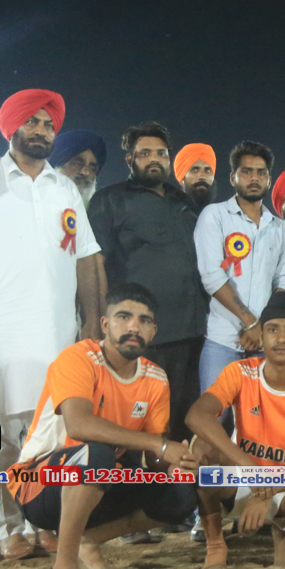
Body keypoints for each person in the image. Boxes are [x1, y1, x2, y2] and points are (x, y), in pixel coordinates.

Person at [0, 89, 103, 561]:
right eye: (33, 122)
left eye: (48, 124)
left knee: (51, 438)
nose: (42, 131)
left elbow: (86, 259)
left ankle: (42, 524)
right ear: (12, 127)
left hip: (56, 336)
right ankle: (9, 532)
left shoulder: (64, 188)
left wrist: (91, 324)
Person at [6, 284, 199, 569]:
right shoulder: (77, 358)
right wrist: (158, 444)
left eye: (144, 320)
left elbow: (155, 462)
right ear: (105, 324)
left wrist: (179, 462)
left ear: (153, 332)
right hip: (38, 486)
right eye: (124, 317)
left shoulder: (156, 378)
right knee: (95, 455)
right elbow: (79, 425)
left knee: (180, 491)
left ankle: (90, 540)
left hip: (100, 482)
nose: (134, 326)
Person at [185, 291, 285, 569]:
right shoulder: (240, 372)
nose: (281, 338)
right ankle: (215, 547)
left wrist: (269, 487)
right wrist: (250, 468)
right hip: (242, 474)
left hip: (284, 483)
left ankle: (282, 529)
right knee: (202, 449)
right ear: (261, 338)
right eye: (273, 329)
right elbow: (196, 415)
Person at [87, 122, 208, 444]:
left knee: (182, 424)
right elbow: (95, 264)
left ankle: (177, 479)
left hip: (191, 336)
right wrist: (96, 320)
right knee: (133, 426)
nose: (154, 159)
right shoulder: (109, 200)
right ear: (130, 159)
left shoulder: (183, 202)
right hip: (140, 337)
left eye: (161, 153)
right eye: (145, 153)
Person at [194, 140, 285, 431]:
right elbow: (212, 275)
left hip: (265, 345)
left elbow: (284, 280)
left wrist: (263, 328)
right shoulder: (214, 216)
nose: (254, 178)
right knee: (212, 421)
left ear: (269, 179)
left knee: (262, 424)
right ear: (232, 177)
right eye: (247, 171)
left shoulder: (279, 228)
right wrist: (251, 322)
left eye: (261, 173)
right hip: (222, 342)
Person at [51, 129, 107, 207]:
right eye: (77, 163)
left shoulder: (99, 210)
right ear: (59, 166)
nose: (85, 172)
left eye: (92, 169)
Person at [173, 142, 218, 216]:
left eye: (208, 170)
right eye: (195, 170)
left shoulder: (222, 217)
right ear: (182, 177)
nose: (202, 176)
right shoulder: (168, 216)